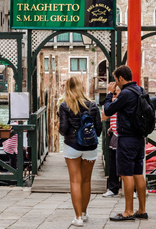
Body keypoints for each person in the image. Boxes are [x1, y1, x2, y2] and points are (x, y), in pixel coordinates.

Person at [104, 65, 148, 221]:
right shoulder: (140, 90)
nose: (116, 83)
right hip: (139, 138)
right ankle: (142, 210)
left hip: (126, 138)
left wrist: (109, 94)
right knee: (138, 173)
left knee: (126, 174)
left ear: (121, 78)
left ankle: (128, 211)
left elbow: (108, 110)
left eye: (116, 80)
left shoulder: (126, 93)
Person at [59, 76, 102, 227]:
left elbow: (63, 130)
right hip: (90, 147)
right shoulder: (93, 105)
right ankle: (83, 213)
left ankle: (77, 218)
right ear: (81, 87)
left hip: (72, 146)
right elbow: (99, 130)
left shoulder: (65, 106)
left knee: (75, 181)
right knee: (86, 181)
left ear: (67, 88)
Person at [102, 86, 120, 198]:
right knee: (113, 163)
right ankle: (113, 188)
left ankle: (117, 188)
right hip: (114, 134)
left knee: (123, 163)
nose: (114, 95)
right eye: (114, 93)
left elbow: (105, 114)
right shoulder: (114, 103)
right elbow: (104, 116)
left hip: (123, 135)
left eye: (116, 92)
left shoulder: (119, 101)